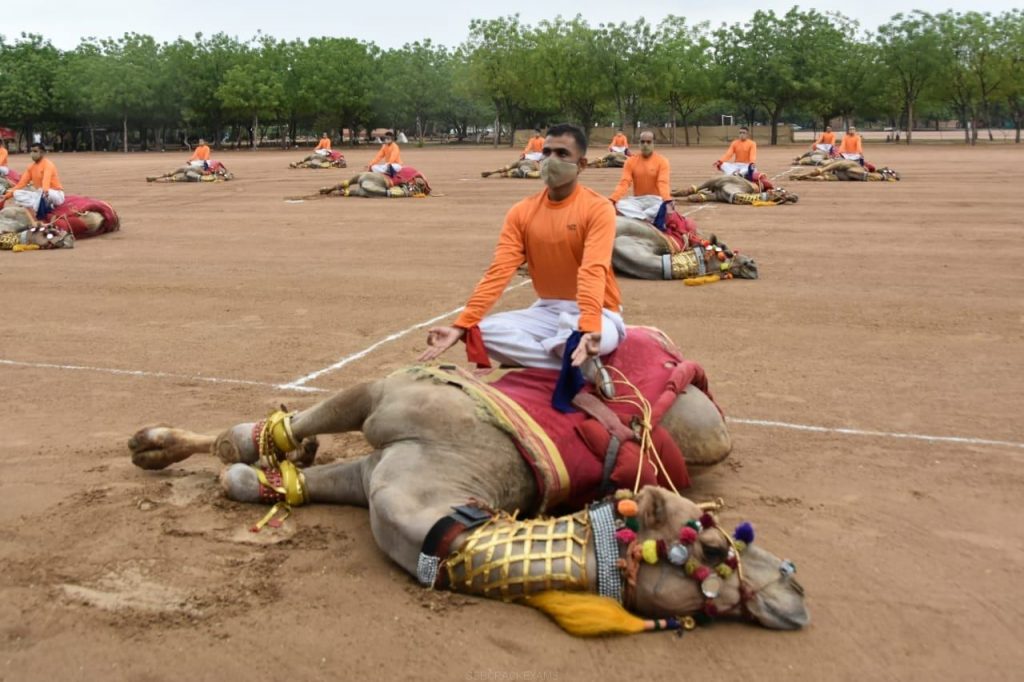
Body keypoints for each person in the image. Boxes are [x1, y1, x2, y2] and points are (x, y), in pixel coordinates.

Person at [418, 122, 625, 377]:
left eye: (562, 154)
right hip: (547, 310)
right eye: (546, 152)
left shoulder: (598, 208)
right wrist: (461, 326)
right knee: (482, 333)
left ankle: (567, 349)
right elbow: (499, 271)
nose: (551, 160)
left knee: (574, 337)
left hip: (600, 312)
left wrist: (589, 326)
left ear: (581, 165)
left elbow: (593, 270)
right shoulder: (521, 212)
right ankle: (576, 366)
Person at [609, 130, 671, 204]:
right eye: (642, 142)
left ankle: (641, 214)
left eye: (648, 142)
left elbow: (663, 183)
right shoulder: (630, 161)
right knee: (619, 205)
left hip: (656, 201)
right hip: (638, 201)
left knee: (661, 208)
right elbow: (624, 182)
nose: (645, 145)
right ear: (639, 143)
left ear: (653, 143)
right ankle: (645, 214)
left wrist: (667, 200)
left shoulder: (662, 161)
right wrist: (613, 199)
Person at [4, 142, 64, 216]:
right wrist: (7, 196)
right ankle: (42, 205)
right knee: (16, 193)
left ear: (42, 153)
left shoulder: (48, 164)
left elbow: (46, 181)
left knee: (41, 191)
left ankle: (40, 207)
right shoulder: (31, 167)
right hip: (39, 195)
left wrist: (44, 192)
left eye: (35, 151)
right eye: (31, 151)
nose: (32, 153)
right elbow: (21, 184)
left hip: (54, 194)